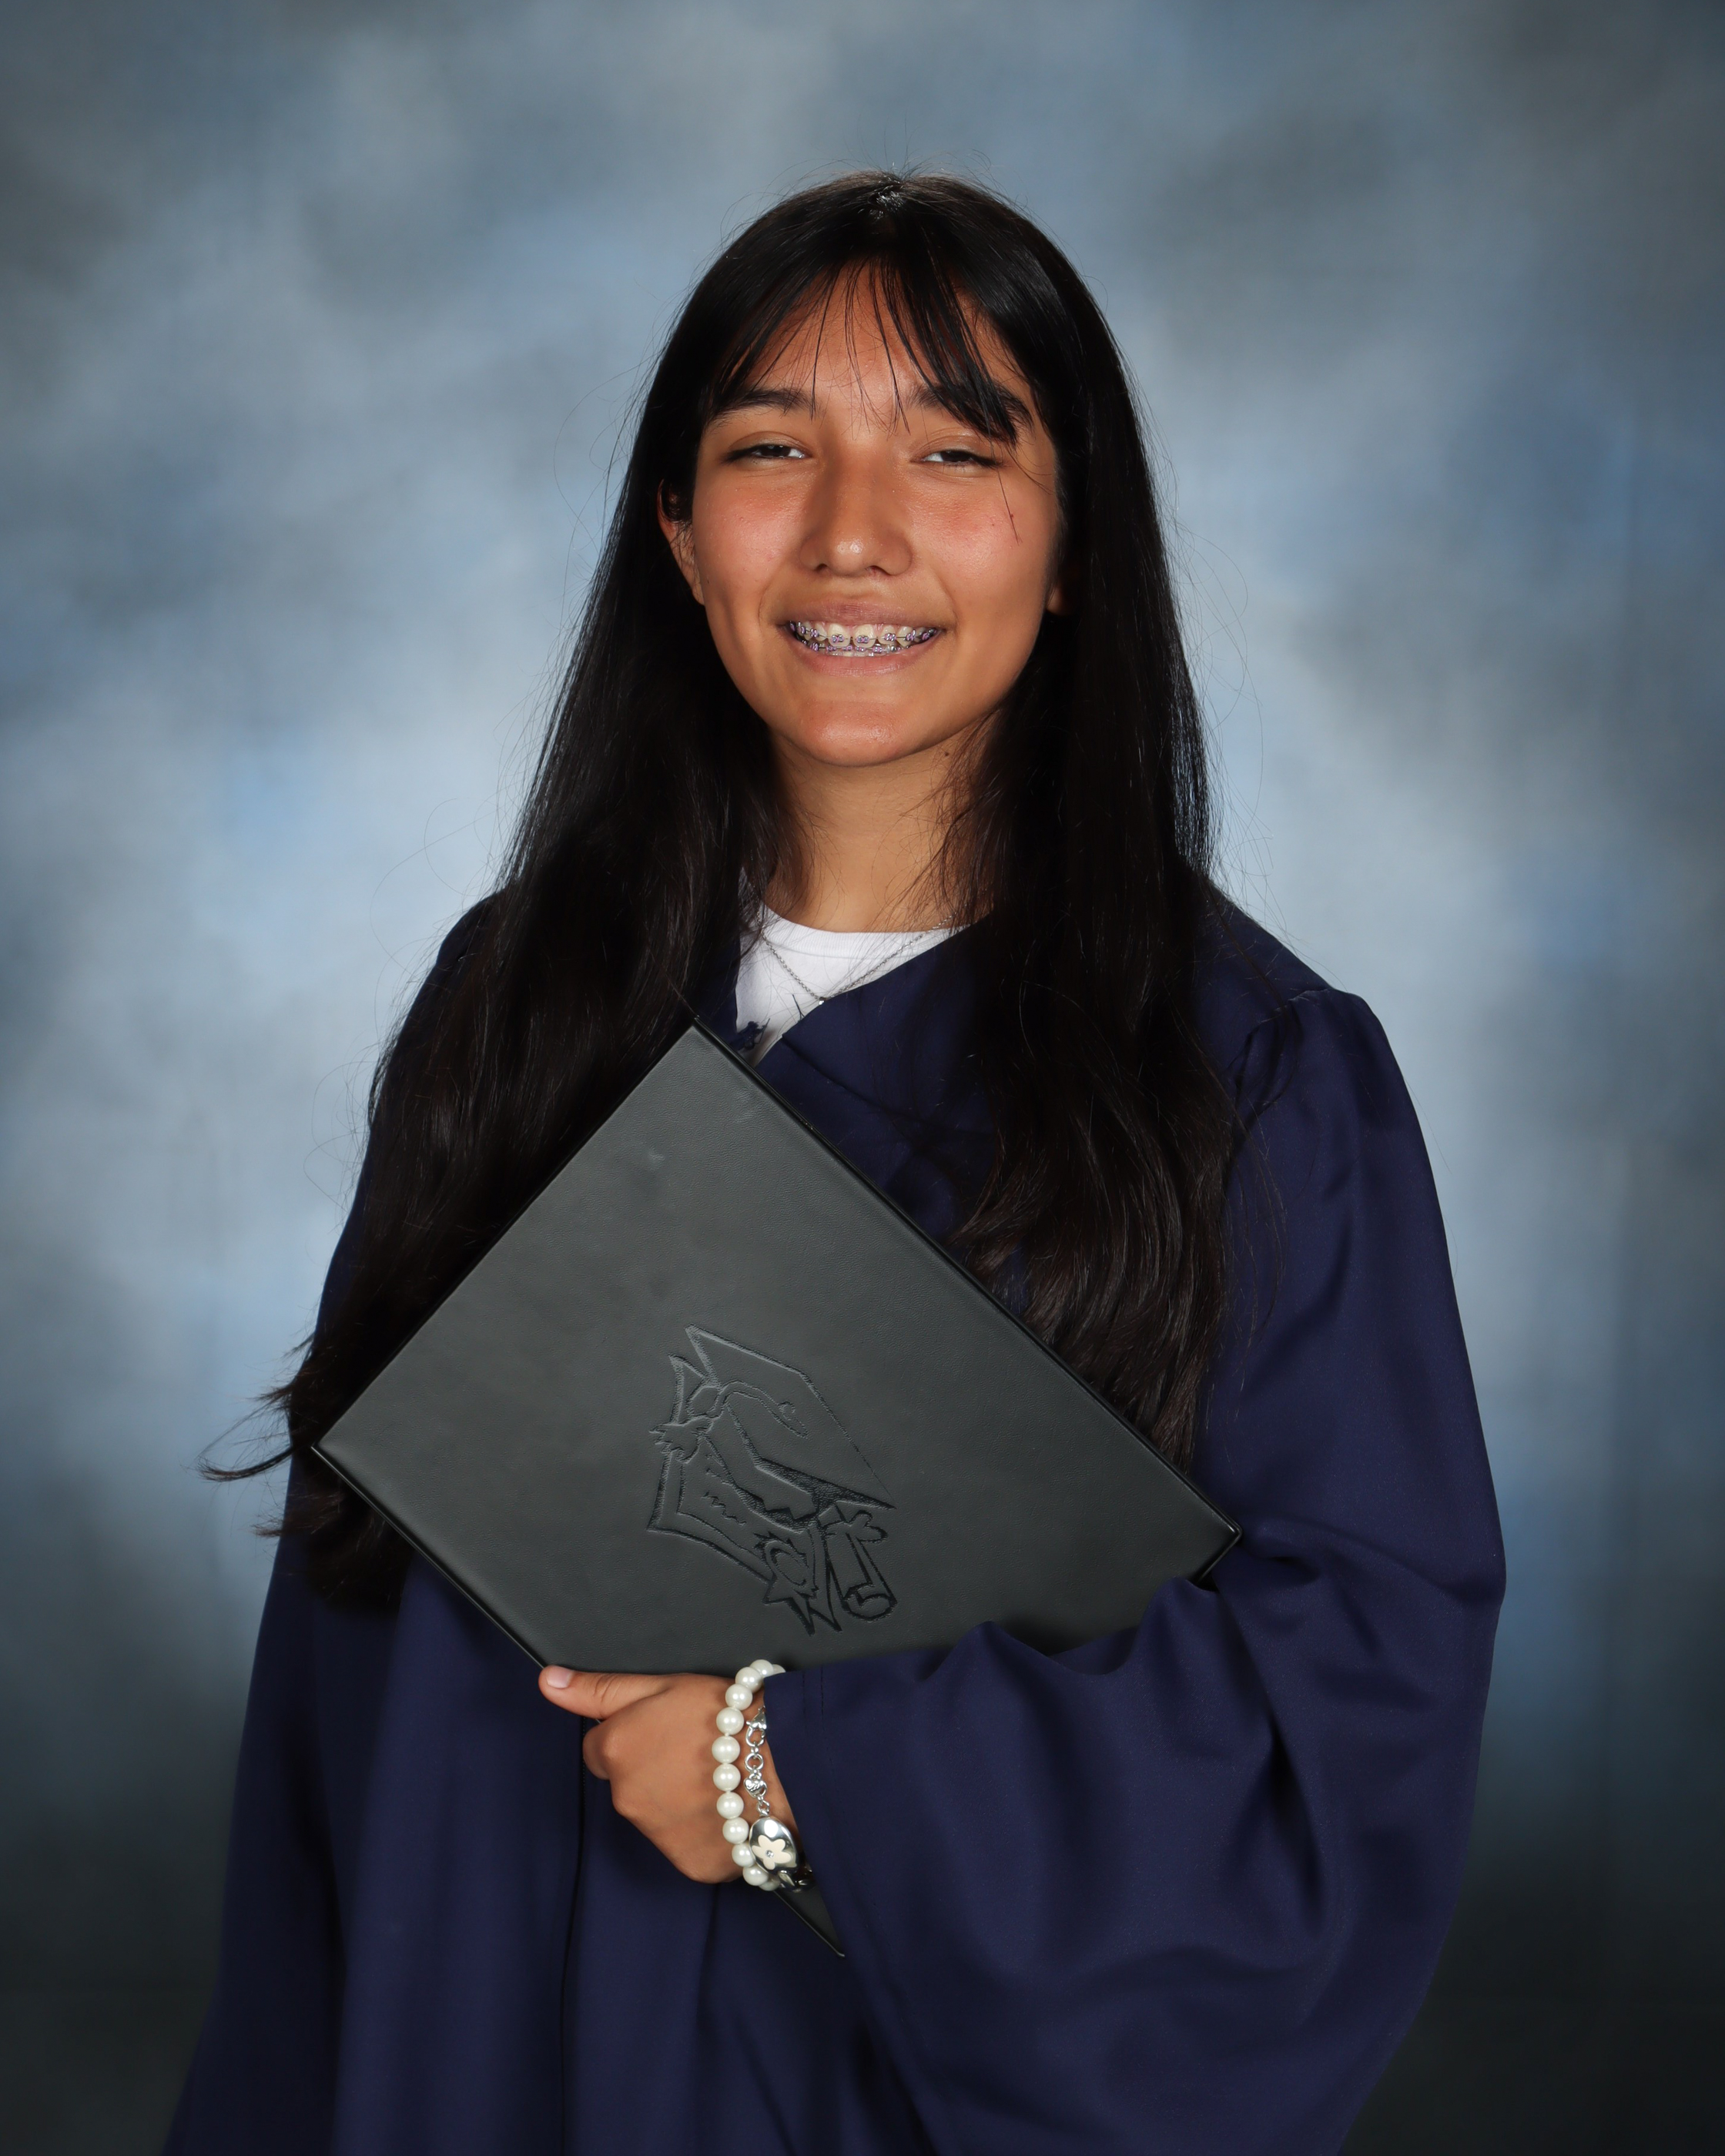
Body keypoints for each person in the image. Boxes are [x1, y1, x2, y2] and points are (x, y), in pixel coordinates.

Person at [166, 172, 1503, 2156]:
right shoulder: (515, 1002)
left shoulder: (1246, 1075)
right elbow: (331, 1692)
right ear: (679, 531)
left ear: (1076, 546)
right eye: (771, 449)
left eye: (956, 452)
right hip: (463, 2062)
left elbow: (1353, 1709)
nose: (853, 531)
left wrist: (800, 1769)